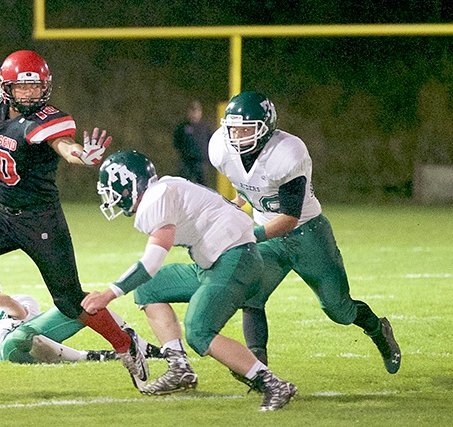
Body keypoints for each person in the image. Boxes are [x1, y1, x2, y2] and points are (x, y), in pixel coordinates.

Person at [0, 50, 149, 388]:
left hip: (40, 222)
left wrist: (82, 155)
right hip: (1, 214)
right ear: (5, 87)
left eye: (37, 88)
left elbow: (65, 146)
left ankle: (126, 344)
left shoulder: (47, 121)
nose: (31, 94)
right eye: (22, 88)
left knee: (69, 300)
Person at [81, 150, 297, 411]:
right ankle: (179, 368)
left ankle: (273, 384)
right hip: (216, 261)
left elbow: (151, 262)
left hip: (235, 259)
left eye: (113, 189)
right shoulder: (165, 187)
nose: (113, 198)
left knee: (199, 330)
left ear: (128, 183)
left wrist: (108, 294)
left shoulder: (156, 197)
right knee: (149, 288)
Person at [208, 91, 401, 373]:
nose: (237, 136)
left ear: (265, 128)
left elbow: (288, 218)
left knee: (340, 310)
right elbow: (247, 187)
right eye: (233, 129)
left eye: (245, 130)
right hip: (266, 233)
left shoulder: (287, 153)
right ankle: (259, 372)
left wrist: (249, 235)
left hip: (306, 233)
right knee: (251, 294)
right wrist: (232, 208)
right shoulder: (221, 149)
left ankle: (377, 330)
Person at [172, 100, 214, 186]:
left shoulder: (205, 127)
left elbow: (211, 141)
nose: (195, 114)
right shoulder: (183, 126)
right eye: (192, 111)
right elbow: (177, 141)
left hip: (201, 162)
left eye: (197, 111)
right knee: (184, 184)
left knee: (202, 186)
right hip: (187, 162)